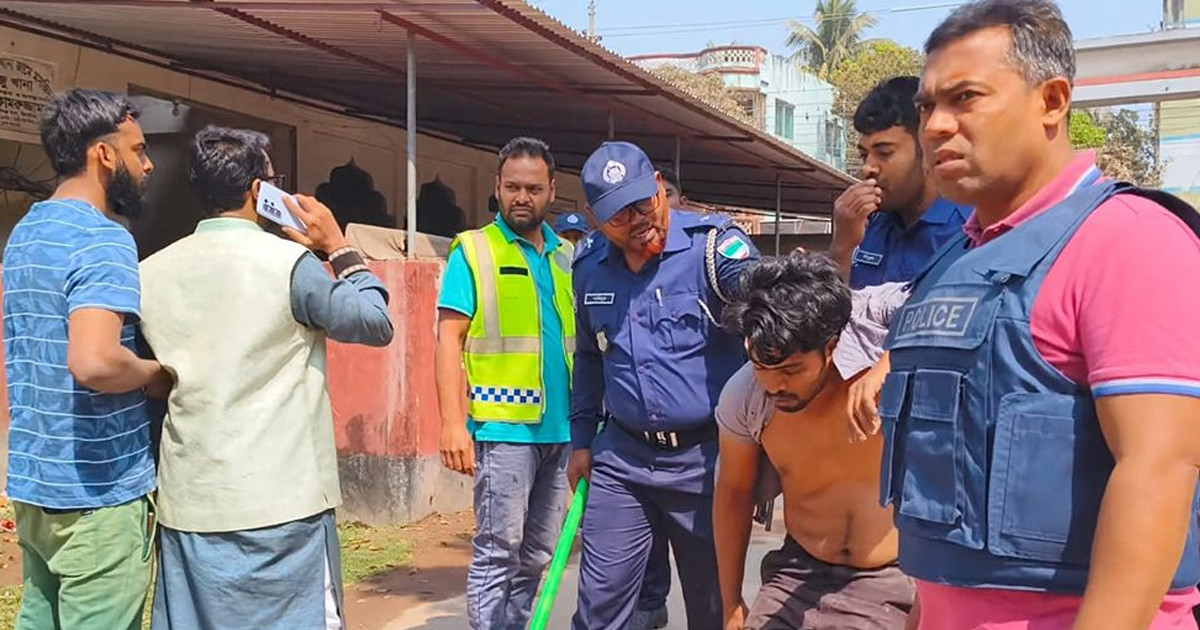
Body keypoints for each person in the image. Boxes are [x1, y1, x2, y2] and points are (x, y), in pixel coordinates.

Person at [848, 1, 1200, 628]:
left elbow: (1158, 470)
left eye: (966, 98)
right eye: (927, 107)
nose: (936, 127)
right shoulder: (959, 260)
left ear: (1052, 101)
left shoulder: (1129, 240)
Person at [139, 126, 394, 630]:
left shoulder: (151, 272)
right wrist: (339, 246)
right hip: (284, 502)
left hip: (190, 500)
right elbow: (374, 322)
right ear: (260, 191)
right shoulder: (290, 265)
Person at [569, 140, 759, 630]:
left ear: (658, 186)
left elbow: (763, 298)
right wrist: (581, 441)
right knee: (598, 610)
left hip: (707, 464)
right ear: (594, 219)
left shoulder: (712, 249)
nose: (638, 220)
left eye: (643, 203)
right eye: (619, 215)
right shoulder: (588, 268)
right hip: (623, 461)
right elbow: (589, 357)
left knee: (713, 609)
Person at [2, 88, 169, 630]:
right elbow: (95, 362)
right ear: (104, 154)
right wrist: (156, 375)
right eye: (138, 150)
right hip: (99, 493)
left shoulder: (26, 231)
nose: (147, 164)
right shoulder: (102, 238)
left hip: (36, 486)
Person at [714, 252, 914, 630]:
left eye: (791, 369)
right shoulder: (746, 398)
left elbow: (942, 295)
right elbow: (733, 492)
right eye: (761, 366)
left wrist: (889, 364)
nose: (774, 384)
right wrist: (731, 603)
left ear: (832, 345)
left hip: (888, 578)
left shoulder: (875, 344)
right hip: (797, 571)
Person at [435, 137, 575, 630]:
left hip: (563, 431)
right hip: (503, 430)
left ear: (552, 190)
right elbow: (448, 341)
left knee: (538, 553)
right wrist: (453, 424)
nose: (522, 197)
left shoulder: (567, 257)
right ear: (496, 187)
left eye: (533, 189)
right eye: (512, 187)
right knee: (499, 550)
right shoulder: (473, 251)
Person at [829, 76, 968, 289]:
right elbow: (831, 306)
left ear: (930, 150)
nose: (868, 168)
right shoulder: (865, 227)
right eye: (864, 155)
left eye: (884, 153)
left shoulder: (970, 232)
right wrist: (842, 247)